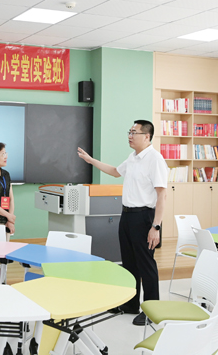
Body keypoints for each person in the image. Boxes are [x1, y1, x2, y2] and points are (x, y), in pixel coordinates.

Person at [77, 120, 167, 326]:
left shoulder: (155, 159)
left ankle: (152, 310)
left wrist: (156, 226)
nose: (130, 136)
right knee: (129, 263)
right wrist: (91, 160)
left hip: (144, 217)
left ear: (147, 136)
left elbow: (162, 195)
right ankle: (130, 304)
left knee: (146, 265)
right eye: (130, 132)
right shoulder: (133, 157)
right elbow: (115, 171)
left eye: (134, 132)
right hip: (127, 216)